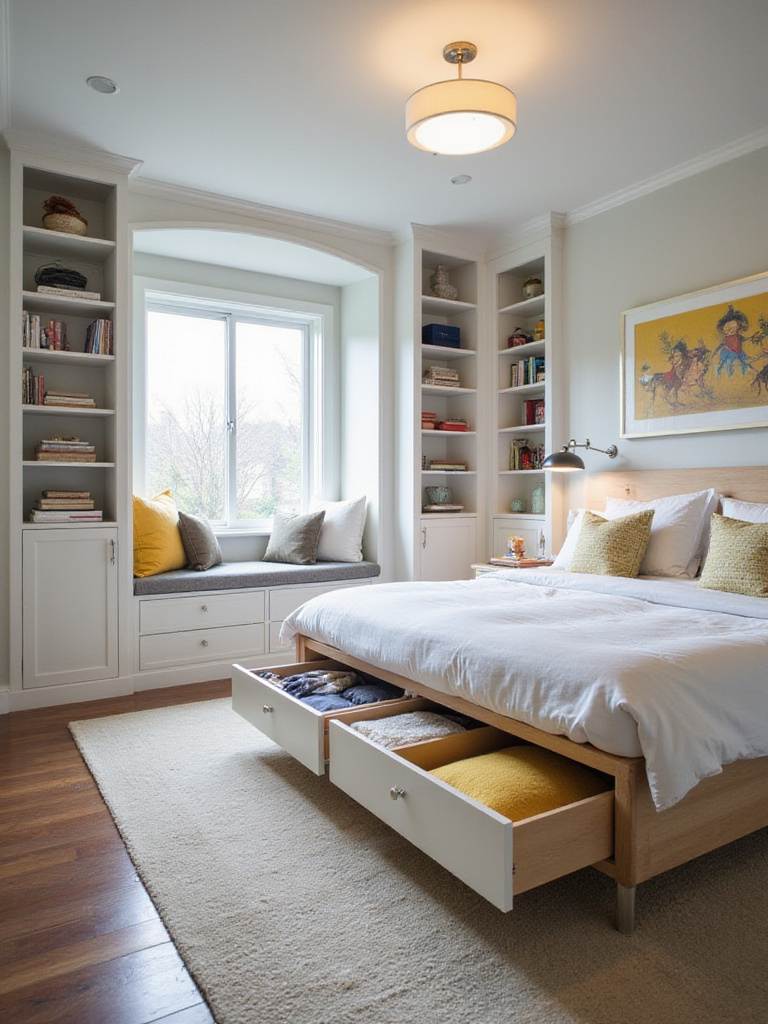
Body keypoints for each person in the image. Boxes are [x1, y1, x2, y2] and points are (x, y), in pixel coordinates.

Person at [715, 305, 751, 377]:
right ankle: (723, 371)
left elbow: (744, 340)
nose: (731, 331)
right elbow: (721, 345)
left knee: (744, 361)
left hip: (739, 351)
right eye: (728, 328)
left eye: (734, 328)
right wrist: (716, 352)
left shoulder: (739, 336)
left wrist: (751, 338)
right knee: (727, 363)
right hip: (729, 352)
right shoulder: (726, 338)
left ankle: (745, 371)